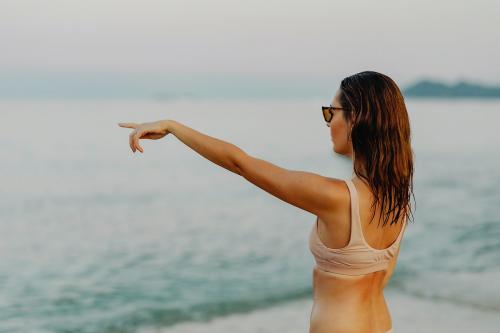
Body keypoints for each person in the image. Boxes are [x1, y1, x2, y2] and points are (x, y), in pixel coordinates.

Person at [118, 70, 415, 333]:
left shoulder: (336, 198)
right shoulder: (397, 198)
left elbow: (240, 163)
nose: (327, 123)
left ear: (357, 119)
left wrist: (172, 126)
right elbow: (380, 274)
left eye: (330, 112)